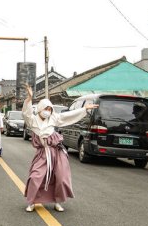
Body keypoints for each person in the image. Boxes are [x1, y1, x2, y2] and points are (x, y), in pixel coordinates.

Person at [22, 84, 98, 212]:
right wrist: (29, 98)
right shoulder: (32, 121)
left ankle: (58, 201)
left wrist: (84, 109)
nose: (48, 111)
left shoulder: (54, 118)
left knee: (61, 177)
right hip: (42, 153)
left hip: (56, 153)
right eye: (46, 109)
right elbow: (26, 113)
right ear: (40, 109)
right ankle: (32, 202)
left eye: (50, 109)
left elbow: (69, 116)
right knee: (36, 177)